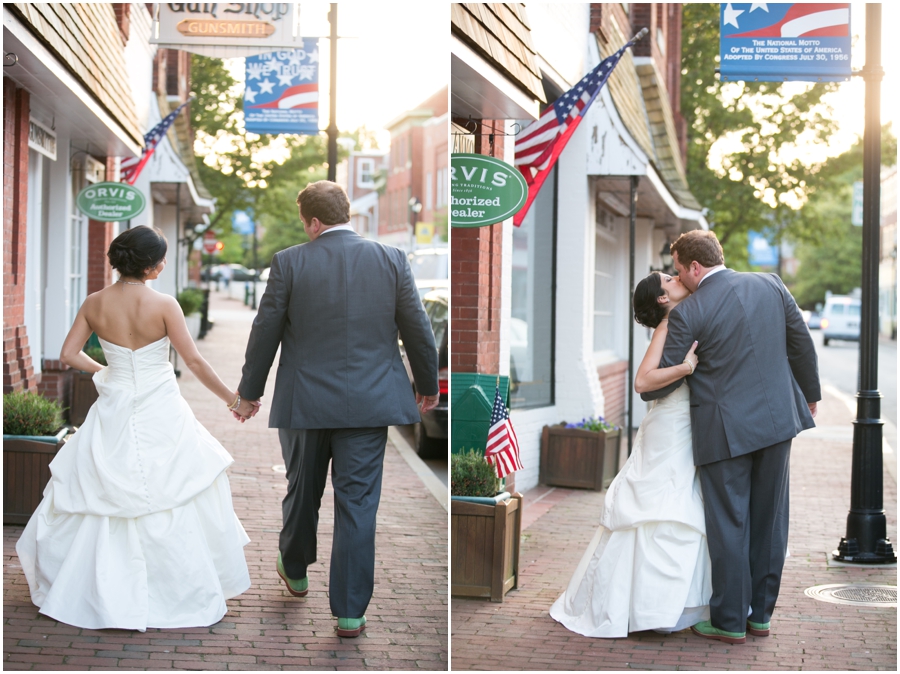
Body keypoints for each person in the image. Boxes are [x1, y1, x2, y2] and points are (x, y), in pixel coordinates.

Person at [15, 226, 252, 632]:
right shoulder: (164, 304)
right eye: (160, 258)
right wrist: (234, 400)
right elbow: (192, 361)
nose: (162, 264)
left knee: (100, 489)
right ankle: (172, 589)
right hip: (161, 404)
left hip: (115, 402)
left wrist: (107, 369)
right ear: (149, 264)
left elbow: (68, 354)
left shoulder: (95, 302)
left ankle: (92, 589)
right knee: (173, 488)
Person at [234, 180, 439, 638]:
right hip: (369, 406)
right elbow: (417, 329)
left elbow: (264, 330)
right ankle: (349, 612)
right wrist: (426, 386)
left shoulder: (289, 262)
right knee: (359, 505)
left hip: (305, 403)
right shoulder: (391, 260)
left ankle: (296, 570)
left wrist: (249, 392)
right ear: (347, 214)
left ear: (312, 221)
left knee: (302, 490)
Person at [640, 229, 820, 644]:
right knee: (770, 521)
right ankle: (761, 617)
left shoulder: (688, 313)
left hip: (724, 432)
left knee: (729, 524)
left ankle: (729, 620)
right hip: (777, 423)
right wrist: (810, 395)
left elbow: (659, 384)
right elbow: (800, 344)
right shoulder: (770, 284)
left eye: (679, 270)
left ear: (696, 267)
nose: (678, 277)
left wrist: (685, 368)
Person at [550, 271, 711, 637]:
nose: (675, 277)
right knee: (659, 504)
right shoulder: (666, 328)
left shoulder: (686, 319)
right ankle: (643, 606)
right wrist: (686, 368)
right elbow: (642, 381)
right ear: (661, 298)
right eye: (668, 278)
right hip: (670, 428)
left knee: (680, 505)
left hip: (684, 425)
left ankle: (668, 603)